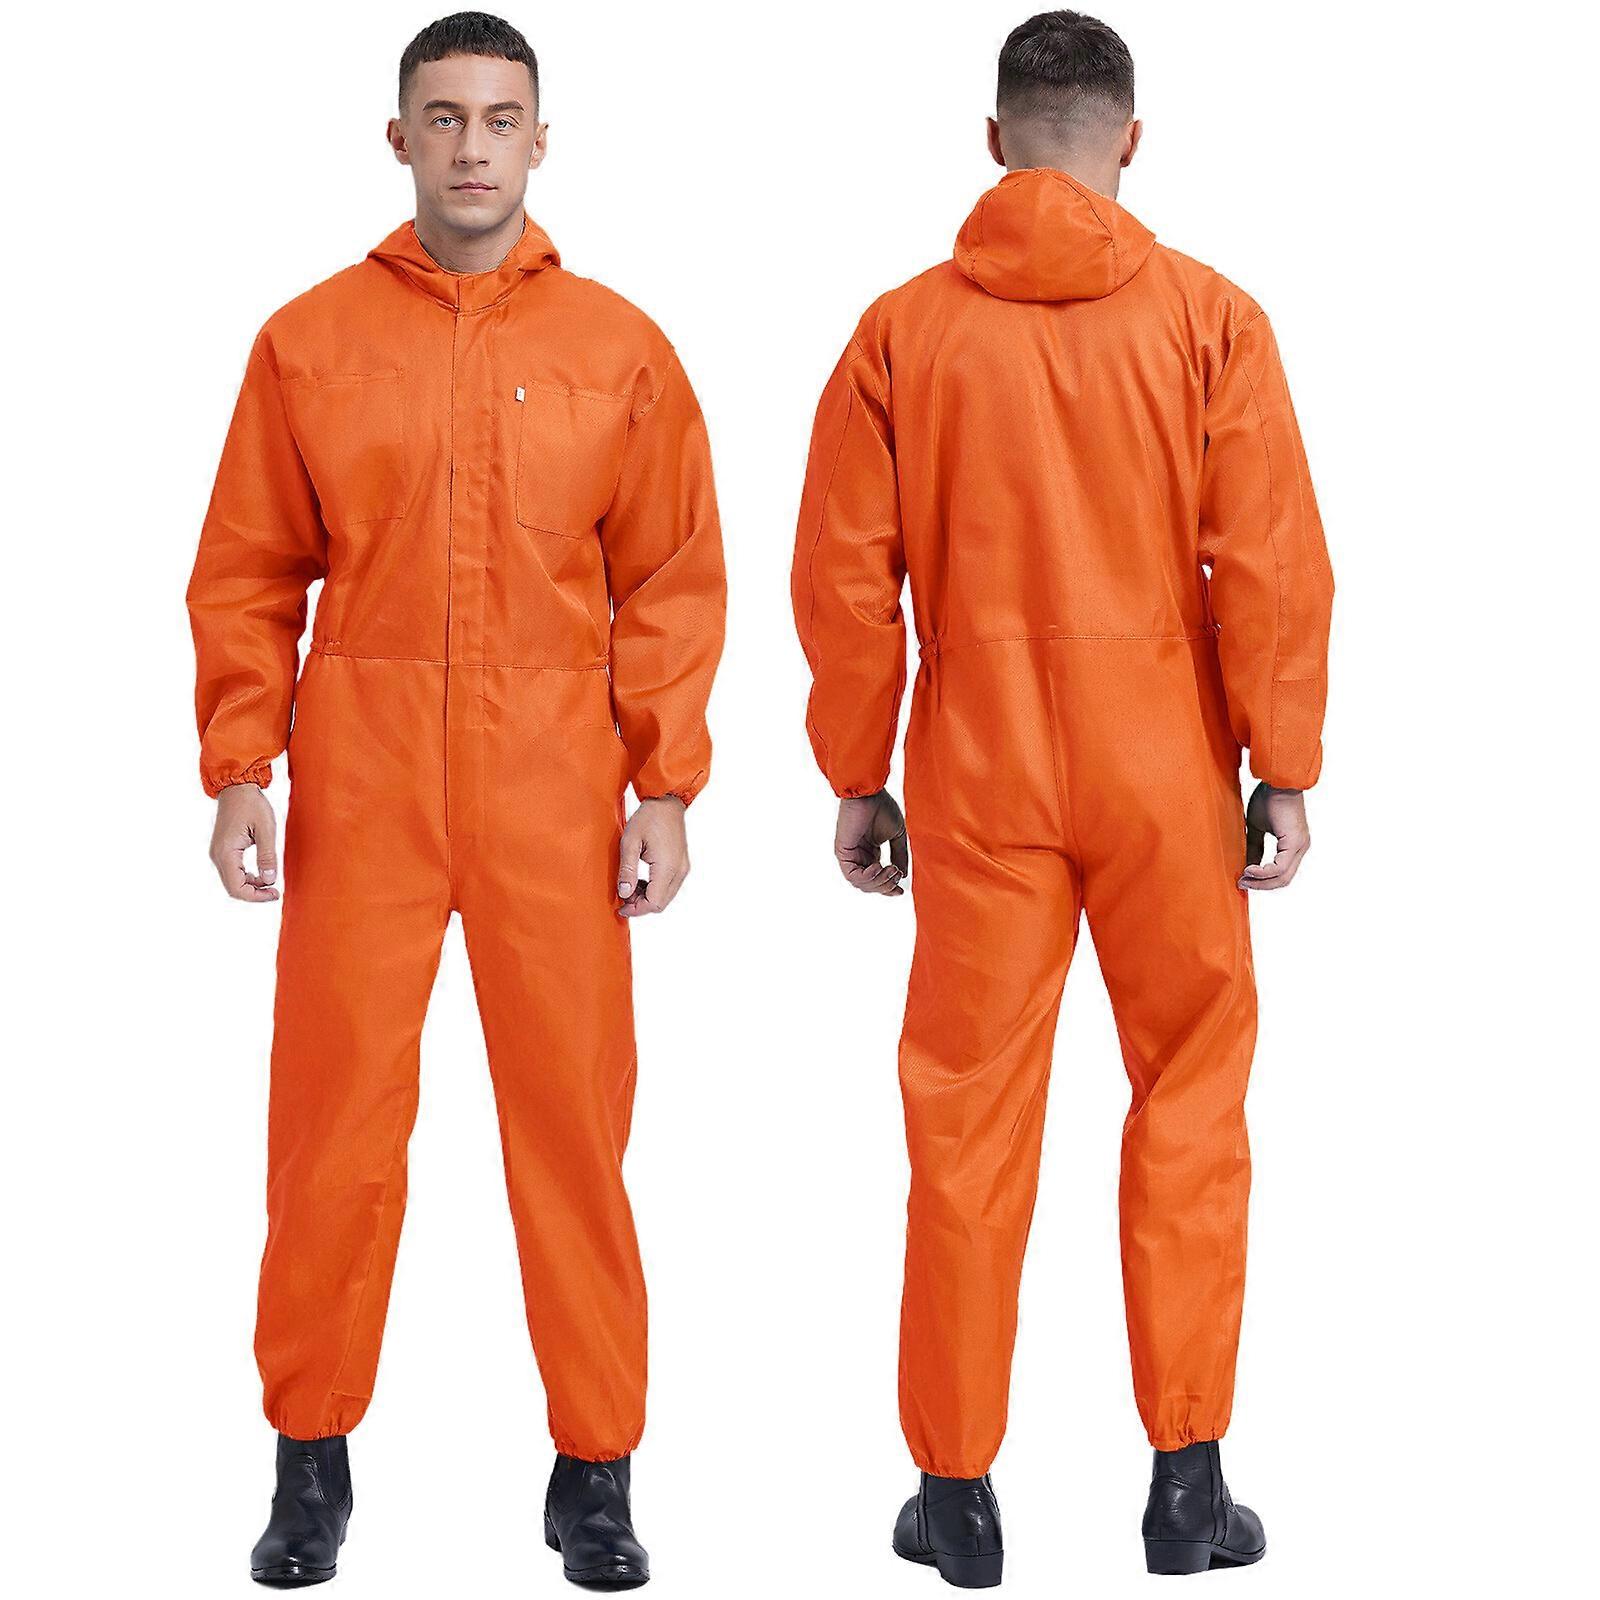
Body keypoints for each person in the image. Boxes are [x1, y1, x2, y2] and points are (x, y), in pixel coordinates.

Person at [791, 9, 1332, 1586]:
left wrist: (857, 771)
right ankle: (1188, 1487)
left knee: (966, 1121)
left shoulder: (902, 333)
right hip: (1166, 763)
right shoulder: (1213, 319)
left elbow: (847, 581)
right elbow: (1270, 564)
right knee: (1191, 1106)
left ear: (993, 142)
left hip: (979, 766)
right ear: (1131, 142)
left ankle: (956, 1496)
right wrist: (1283, 760)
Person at [188, 12, 724, 1588]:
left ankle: (596, 1473)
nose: (473, 146)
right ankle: (309, 1466)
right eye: (445, 117)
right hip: (363, 782)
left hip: (556, 787)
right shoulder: (307, 341)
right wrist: (240, 764)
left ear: (541, 140)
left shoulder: (620, 348)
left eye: (500, 118)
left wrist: (666, 784)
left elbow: (671, 580)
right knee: (332, 1129)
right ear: (399, 138)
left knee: (574, 1132)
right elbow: (248, 568)